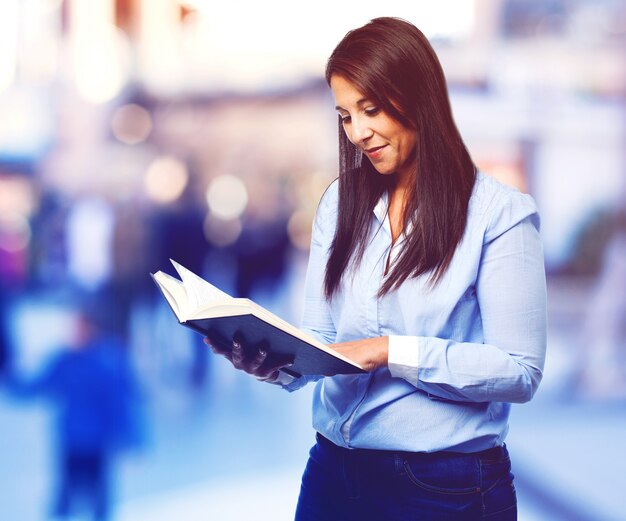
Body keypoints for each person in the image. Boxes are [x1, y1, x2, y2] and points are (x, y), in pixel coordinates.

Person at [205, 17, 547, 520]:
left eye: (371, 109)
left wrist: (389, 352)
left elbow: (520, 372)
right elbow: (323, 338)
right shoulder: (339, 204)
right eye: (344, 115)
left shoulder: (499, 215)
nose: (358, 132)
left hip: (444, 487)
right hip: (333, 473)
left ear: (417, 96)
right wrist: (274, 362)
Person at [6, 305, 144, 521]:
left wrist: (130, 437)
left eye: (80, 328)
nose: (74, 333)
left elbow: (121, 403)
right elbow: (38, 384)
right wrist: (11, 379)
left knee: (98, 495)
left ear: (93, 329)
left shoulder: (107, 362)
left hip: (96, 443)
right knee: (66, 493)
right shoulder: (66, 360)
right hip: (71, 439)